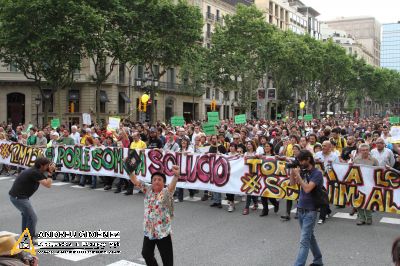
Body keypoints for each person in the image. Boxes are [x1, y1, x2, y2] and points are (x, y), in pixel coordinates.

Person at [129, 165, 180, 266]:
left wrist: (176, 176)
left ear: (163, 183)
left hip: (163, 232)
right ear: (151, 182)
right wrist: (130, 171)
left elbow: (172, 187)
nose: (156, 181)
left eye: (159, 180)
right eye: (154, 179)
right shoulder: (148, 190)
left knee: (168, 262)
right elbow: (135, 181)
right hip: (149, 231)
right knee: (146, 253)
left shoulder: (166, 192)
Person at [9, 157, 55, 244]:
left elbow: (45, 178)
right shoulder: (35, 172)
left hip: (18, 196)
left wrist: (49, 170)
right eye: (47, 165)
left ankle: (27, 235)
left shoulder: (35, 170)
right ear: (41, 165)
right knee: (32, 218)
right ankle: (28, 239)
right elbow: (48, 184)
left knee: (26, 216)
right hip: (19, 198)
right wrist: (50, 172)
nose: (48, 167)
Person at [290, 150, 323, 266]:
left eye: (301, 160)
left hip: (311, 210)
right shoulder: (302, 171)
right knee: (310, 237)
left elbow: (308, 189)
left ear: (308, 159)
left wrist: (298, 175)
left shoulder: (317, 173)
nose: (300, 163)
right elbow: (292, 184)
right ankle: (318, 260)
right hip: (300, 208)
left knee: (304, 241)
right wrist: (292, 171)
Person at [353, 143, 379, 225]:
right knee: (359, 202)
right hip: (359, 184)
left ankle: (369, 218)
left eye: (366, 150)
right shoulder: (356, 160)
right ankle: (361, 218)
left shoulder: (374, 160)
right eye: (363, 150)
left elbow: (378, 172)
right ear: (360, 151)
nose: (365, 151)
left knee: (368, 202)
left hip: (370, 184)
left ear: (369, 151)